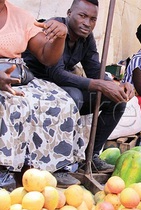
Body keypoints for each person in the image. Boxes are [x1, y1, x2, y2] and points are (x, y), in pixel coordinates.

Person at [23, 0, 134, 176]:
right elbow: (56, 73)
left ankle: (90, 157)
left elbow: (94, 69)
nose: (87, 23)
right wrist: (100, 84)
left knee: (117, 101)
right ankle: (60, 163)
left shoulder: (86, 38)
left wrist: (117, 85)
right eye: (82, 16)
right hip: (37, 86)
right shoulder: (55, 27)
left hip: (61, 86)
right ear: (69, 13)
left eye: (92, 19)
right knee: (74, 96)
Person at [0, 0, 87, 186]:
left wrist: (60, 37)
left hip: (16, 77)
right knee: (8, 103)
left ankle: (54, 166)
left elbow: (47, 56)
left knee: (61, 101)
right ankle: (3, 170)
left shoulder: (20, 17)